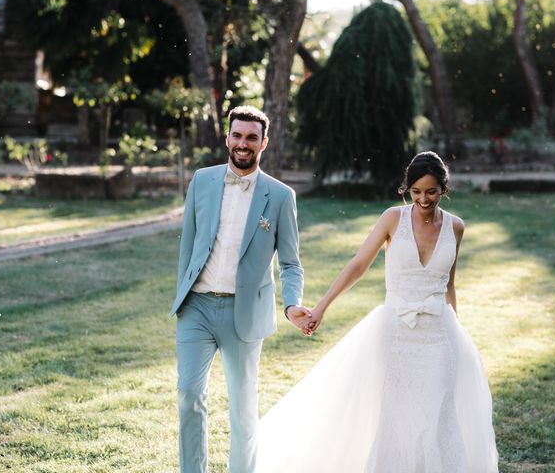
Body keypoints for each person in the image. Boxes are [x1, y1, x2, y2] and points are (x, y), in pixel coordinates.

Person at [256, 151, 499, 472]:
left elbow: (448, 284)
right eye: (416, 192)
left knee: (439, 413)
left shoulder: (455, 227)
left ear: (444, 188)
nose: (423, 199)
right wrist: (321, 307)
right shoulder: (392, 219)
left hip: (439, 332)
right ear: (407, 189)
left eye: (431, 192)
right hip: (395, 331)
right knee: (396, 417)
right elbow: (358, 265)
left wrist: (458, 333)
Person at [169, 105, 311, 473]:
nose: (243, 144)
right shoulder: (202, 180)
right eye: (237, 135)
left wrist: (292, 302)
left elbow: (291, 263)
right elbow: (188, 244)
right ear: (227, 138)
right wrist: (182, 295)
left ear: (264, 143)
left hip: (243, 314)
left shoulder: (280, 197)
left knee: (243, 410)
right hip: (196, 307)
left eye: (251, 137)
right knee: (188, 395)